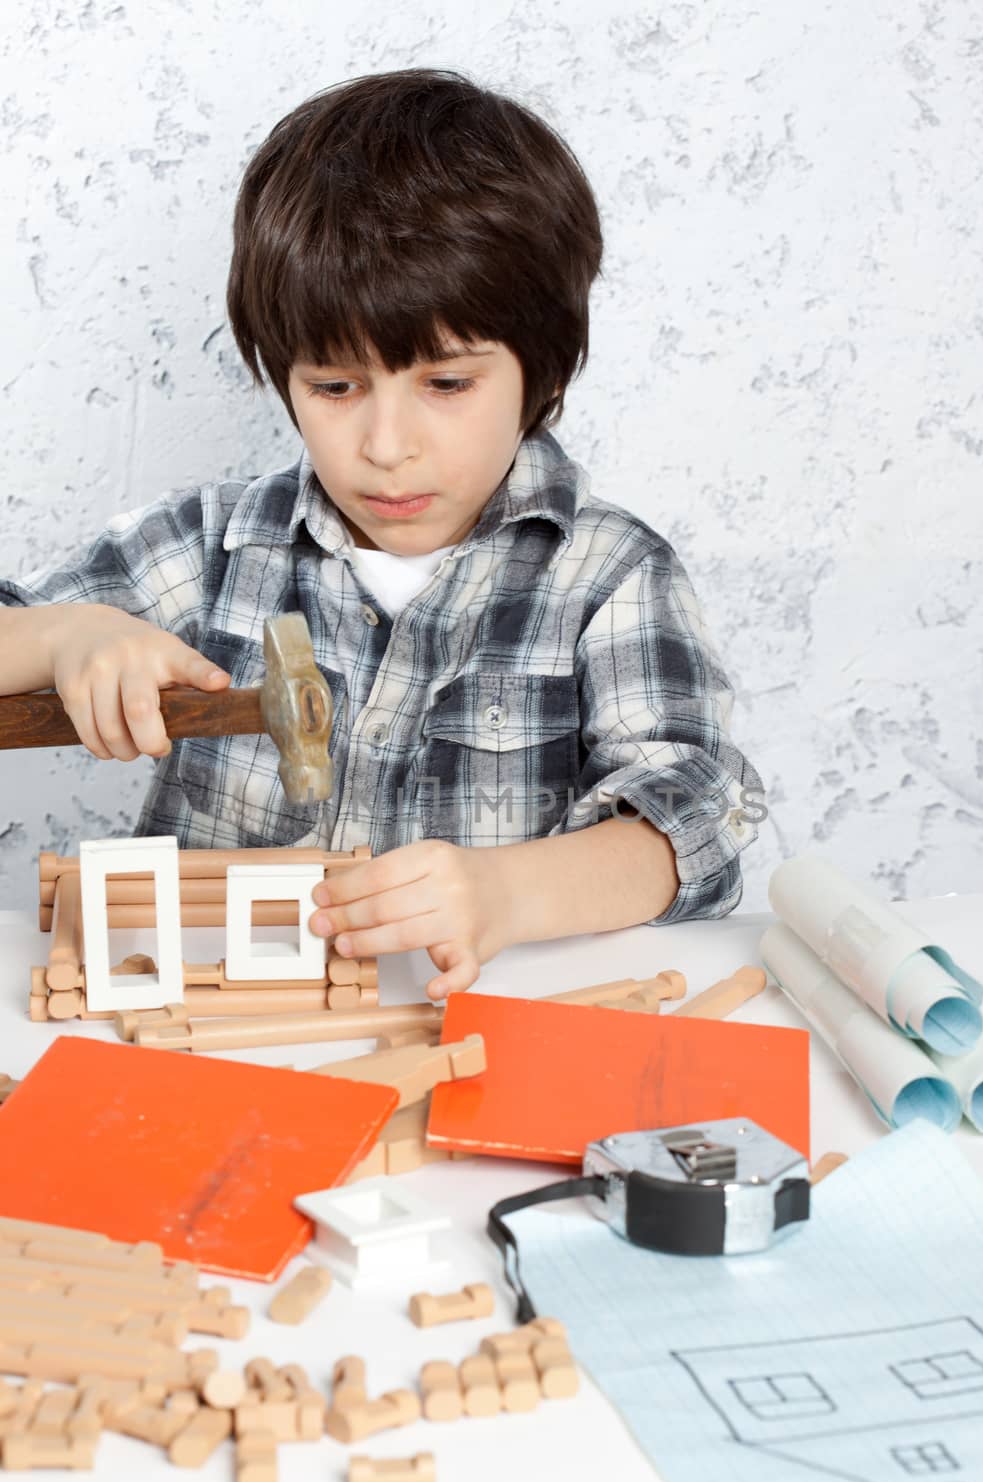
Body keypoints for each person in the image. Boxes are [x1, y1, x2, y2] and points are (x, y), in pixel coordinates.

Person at [0, 67, 765, 1000]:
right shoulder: (209, 547)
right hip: (213, 1028)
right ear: (281, 374)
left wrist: (505, 894)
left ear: (543, 372)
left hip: (473, 1029)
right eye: (333, 388)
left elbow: (694, 820)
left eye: (446, 385)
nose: (386, 447)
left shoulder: (605, 575)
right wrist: (61, 635)